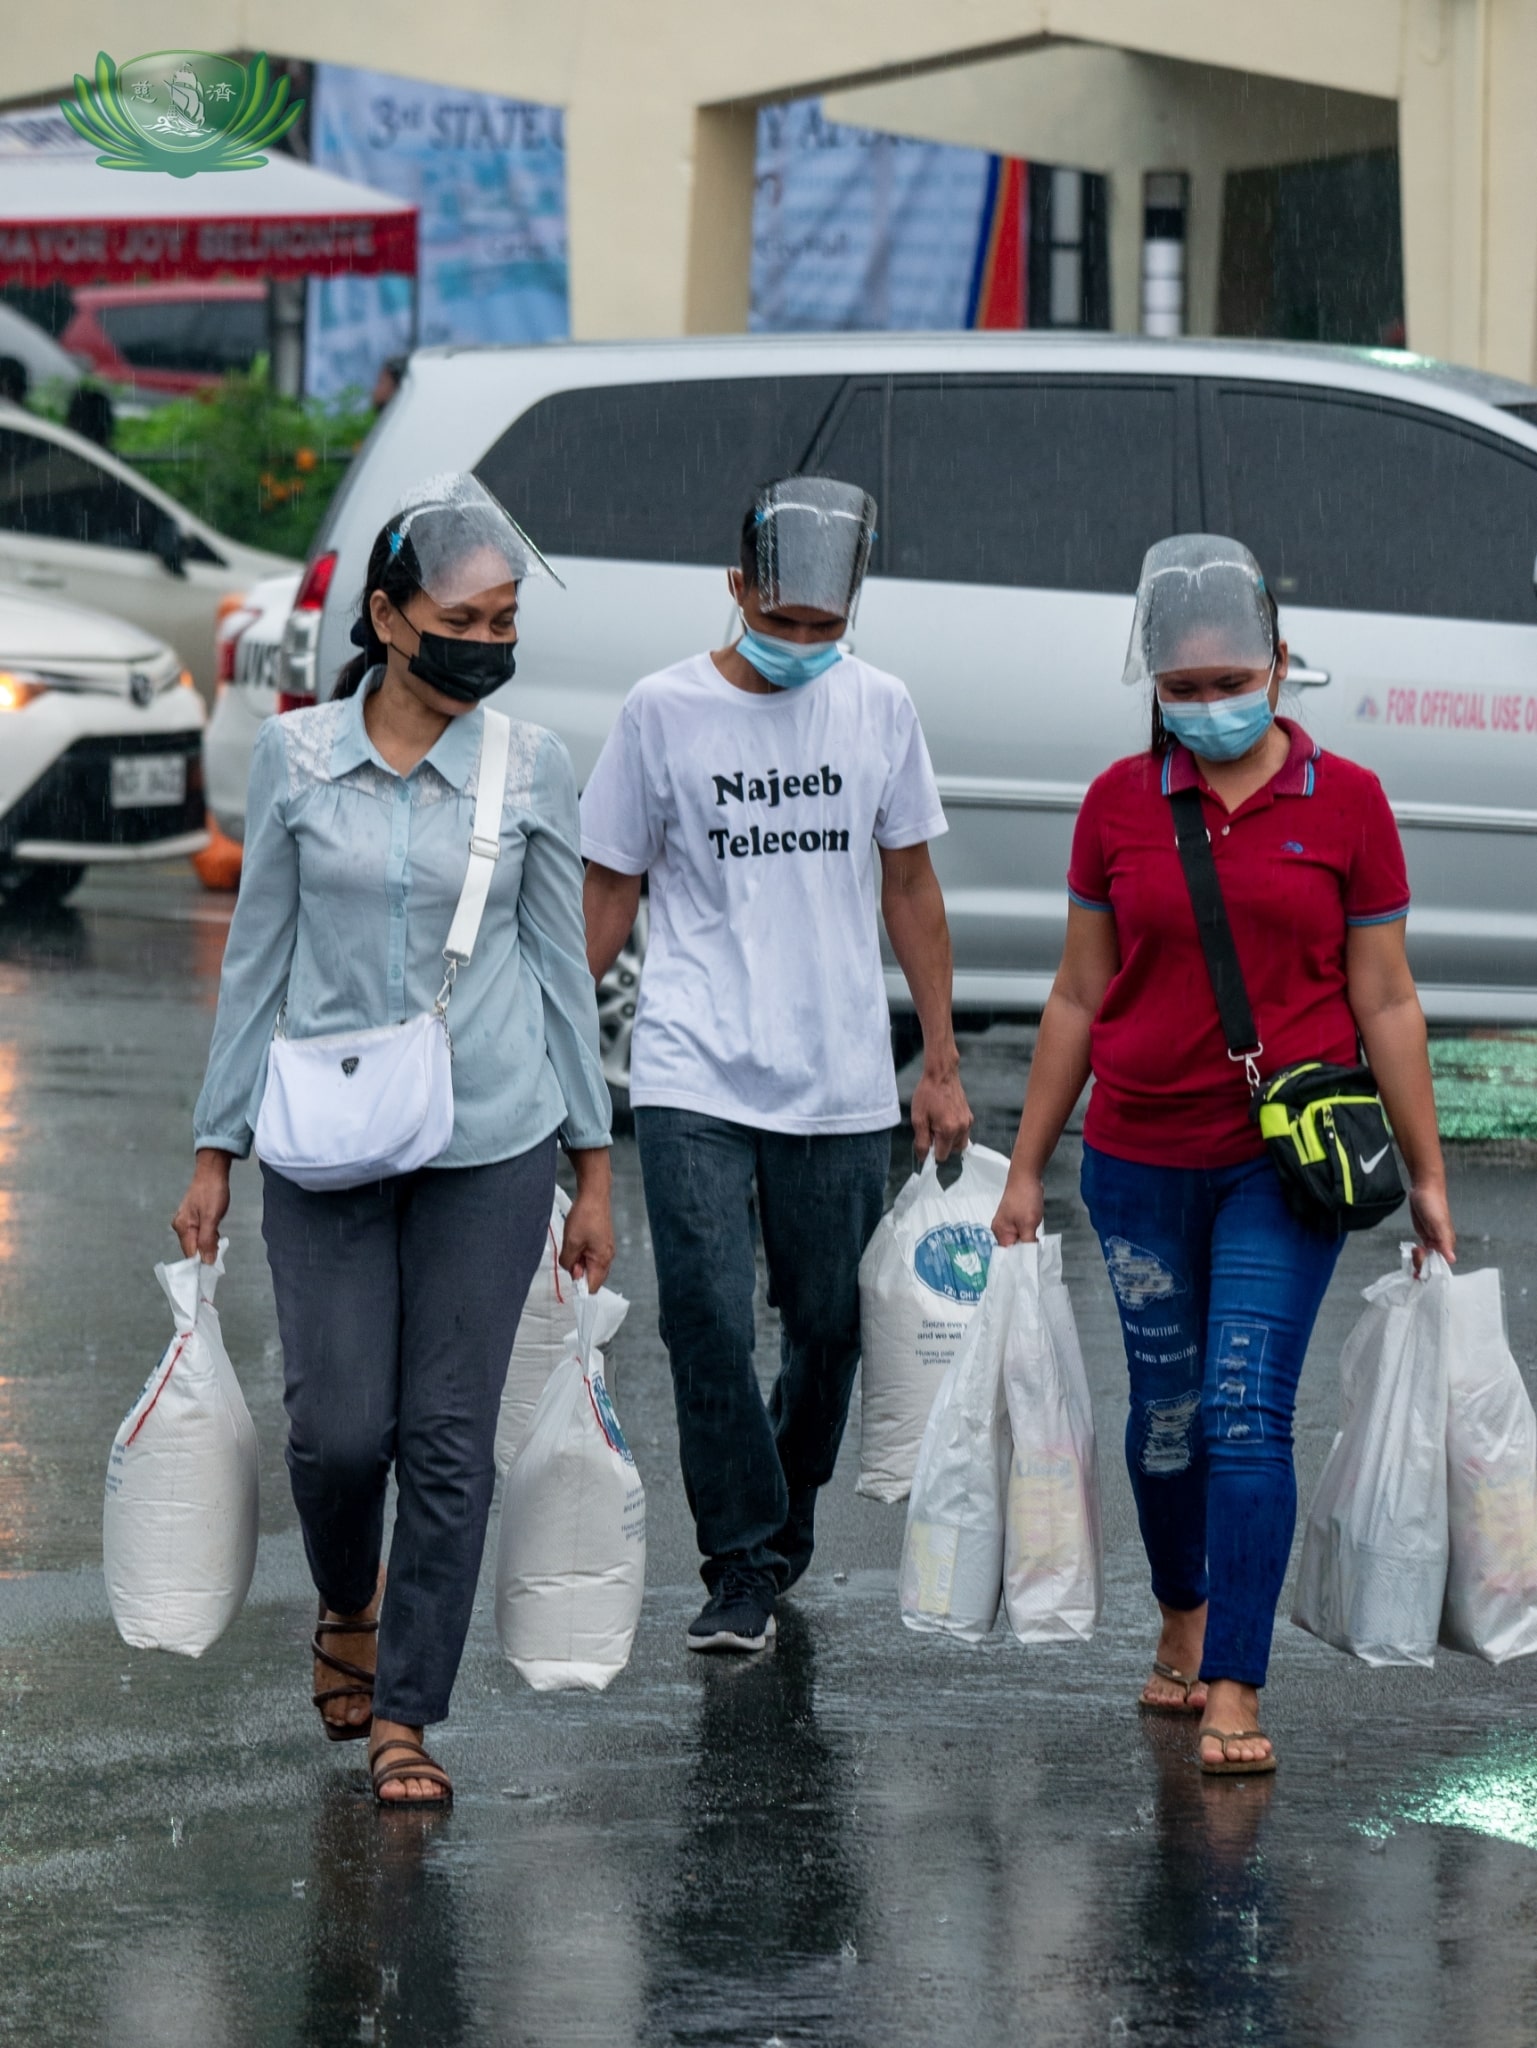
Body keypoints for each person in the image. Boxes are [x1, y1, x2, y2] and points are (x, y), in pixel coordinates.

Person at [173, 473, 614, 1807]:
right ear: (386, 614)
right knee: (337, 1431)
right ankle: (343, 1604)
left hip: (493, 1138)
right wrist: (214, 1147)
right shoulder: (296, 759)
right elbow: (254, 960)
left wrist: (593, 1168)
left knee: (444, 1435)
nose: (488, 638)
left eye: (504, 616)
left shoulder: (532, 766)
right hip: (326, 1137)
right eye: (462, 615)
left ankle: (409, 1713)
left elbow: (557, 970)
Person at [992, 534, 1455, 1775]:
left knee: (1247, 1409)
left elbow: (1387, 998)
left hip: (1279, 1165)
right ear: (1151, 687)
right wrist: (1027, 1168)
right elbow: (1078, 997)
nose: (1208, 707)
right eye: (1181, 689)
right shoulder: (1115, 805)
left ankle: (1238, 1682)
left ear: (1280, 663)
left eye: (1229, 680)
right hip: (1136, 1160)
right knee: (1166, 1418)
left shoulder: (1347, 802)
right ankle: (1182, 1616)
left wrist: (1427, 1175)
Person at [581, 475, 972, 1655]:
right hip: (693, 1061)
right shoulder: (661, 711)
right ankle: (739, 1557)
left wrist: (940, 1059)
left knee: (828, 1324)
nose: (803, 645)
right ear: (738, 588)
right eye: (782, 619)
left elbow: (909, 883)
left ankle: (783, 1516)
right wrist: (549, 1056)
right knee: (702, 1316)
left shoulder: (880, 707)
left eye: (825, 627)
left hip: (838, 1068)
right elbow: (610, 890)